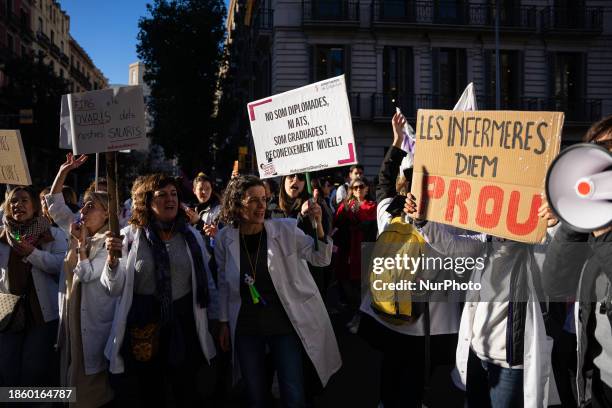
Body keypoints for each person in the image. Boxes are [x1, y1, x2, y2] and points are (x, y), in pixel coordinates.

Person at [405, 187, 557, 407]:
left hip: (509, 362)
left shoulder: (535, 248)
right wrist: (422, 221)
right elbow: (451, 245)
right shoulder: (485, 241)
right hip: (477, 351)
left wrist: (554, 225)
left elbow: (557, 262)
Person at [357, 112, 464, 407]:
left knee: (392, 371)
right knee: (414, 379)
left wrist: (397, 142)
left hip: (391, 311)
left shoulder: (388, 210)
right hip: (426, 322)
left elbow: (382, 182)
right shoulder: (442, 220)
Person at [215, 175, 341, 408]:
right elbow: (223, 283)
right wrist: (223, 322)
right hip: (246, 328)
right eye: (253, 200)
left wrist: (319, 225)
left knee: (292, 391)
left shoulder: (285, 231)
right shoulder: (225, 238)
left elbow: (321, 258)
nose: (262, 206)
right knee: (255, 393)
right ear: (236, 203)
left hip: (283, 325)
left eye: (264, 199)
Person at [101, 173, 218, 407]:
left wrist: (217, 320)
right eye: (161, 195)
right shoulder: (128, 238)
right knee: (150, 392)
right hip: (144, 328)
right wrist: (112, 261)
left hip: (184, 325)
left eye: (173, 194)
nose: (170, 199)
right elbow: (112, 288)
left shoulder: (191, 236)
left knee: (185, 389)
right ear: (147, 201)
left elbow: (209, 284)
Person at [541, 114, 612, 408]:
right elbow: (555, 283)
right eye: (597, 148)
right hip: (596, 380)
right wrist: (572, 218)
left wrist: (603, 230)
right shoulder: (592, 224)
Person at [46, 152, 118, 407]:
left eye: (92, 206)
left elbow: (87, 273)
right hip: (71, 316)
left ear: (107, 215)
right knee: (71, 375)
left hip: (92, 321)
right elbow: (54, 206)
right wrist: (64, 170)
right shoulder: (79, 228)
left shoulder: (112, 242)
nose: (83, 211)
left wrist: (80, 245)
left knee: (91, 387)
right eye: (84, 204)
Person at [0, 185, 68, 387]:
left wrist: (32, 253)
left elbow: (60, 266)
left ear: (35, 206)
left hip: (41, 314)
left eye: (23, 200)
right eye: (13, 201)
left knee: (34, 369)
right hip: (8, 313)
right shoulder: (2, 237)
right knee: (7, 368)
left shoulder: (53, 234)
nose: (17, 205)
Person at [333, 176, 377, 333]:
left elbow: (372, 224)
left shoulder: (373, 206)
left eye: (361, 186)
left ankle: (361, 317)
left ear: (367, 188)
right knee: (347, 285)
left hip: (364, 251)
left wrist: (359, 219)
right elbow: (336, 222)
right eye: (355, 187)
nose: (358, 189)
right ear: (350, 190)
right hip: (347, 251)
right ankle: (357, 314)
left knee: (363, 287)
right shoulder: (345, 205)